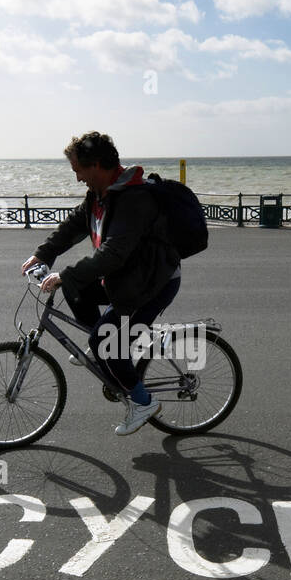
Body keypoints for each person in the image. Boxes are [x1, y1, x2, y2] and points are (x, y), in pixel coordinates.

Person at [21, 131, 181, 436]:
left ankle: (143, 402)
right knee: (75, 288)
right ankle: (108, 351)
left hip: (149, 285)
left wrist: (64, 273)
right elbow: (73, 227)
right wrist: (42, 254)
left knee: (105, 343)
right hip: (126, 278)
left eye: (79, 170)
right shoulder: (99, 194)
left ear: (96, 165)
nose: (78, 178)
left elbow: (113, 254)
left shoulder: (134, 199)